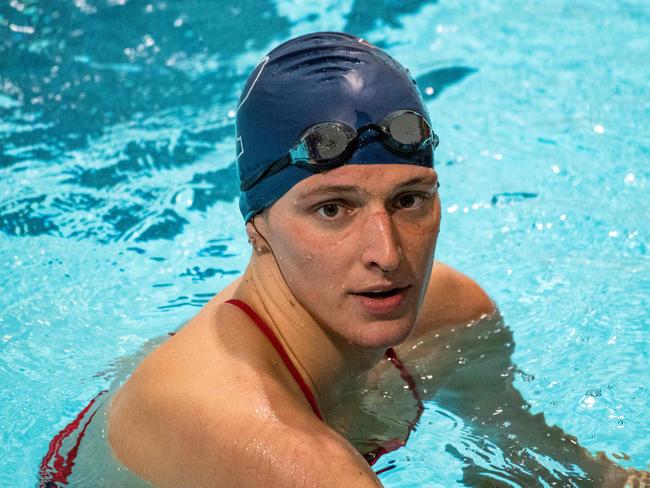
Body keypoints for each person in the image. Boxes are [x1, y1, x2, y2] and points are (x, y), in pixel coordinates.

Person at [40, 32, 641, 488]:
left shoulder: (454, 314)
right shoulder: (281, 449)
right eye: (332, 209)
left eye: (409, 200)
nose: (387, 254)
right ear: (258, 227)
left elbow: (533, 463)